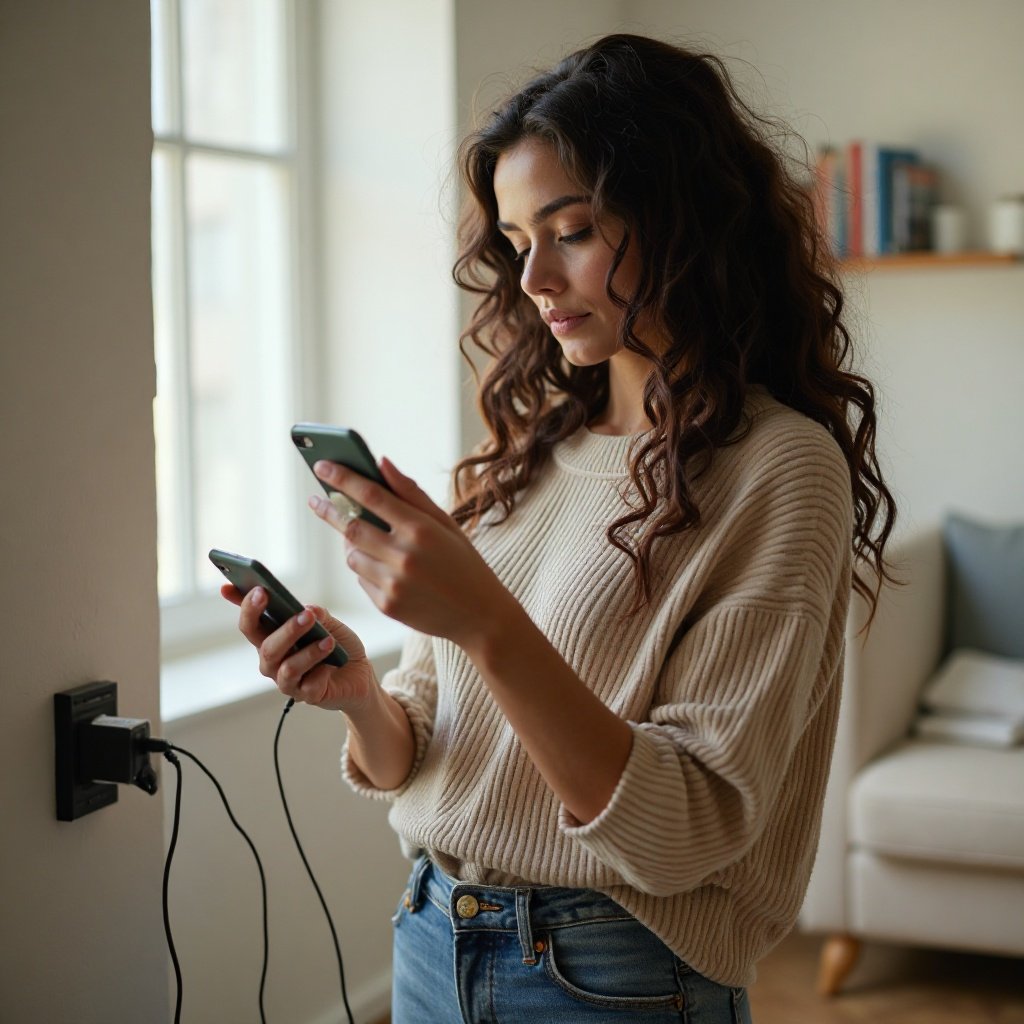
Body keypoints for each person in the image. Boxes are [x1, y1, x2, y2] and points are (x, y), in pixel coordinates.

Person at [223, 33, 897, 1024]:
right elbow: (426, 743)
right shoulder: (526, 452)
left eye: (571, 229)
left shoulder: (778, 468)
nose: (534, 276)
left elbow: (688, 827)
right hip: (430, 933)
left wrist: (486, 620)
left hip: (612, 974)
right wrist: (361, 694)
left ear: (680, 218)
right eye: (514, 240)